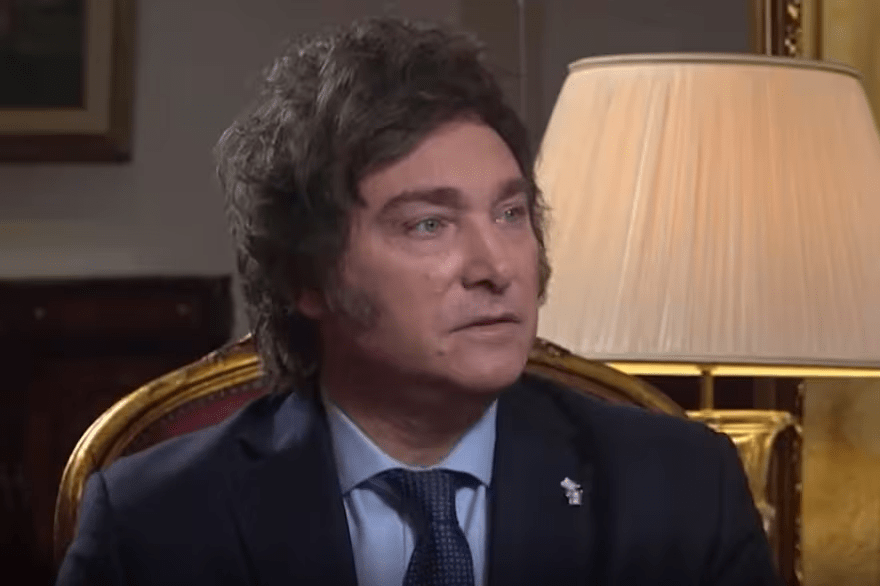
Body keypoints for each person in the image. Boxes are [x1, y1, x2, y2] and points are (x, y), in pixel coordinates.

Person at [56, 16, 781, 586]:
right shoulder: (157, 523)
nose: (496, 268)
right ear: (308, 276)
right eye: (429, 224)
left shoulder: (680, 492)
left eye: (510, 214)